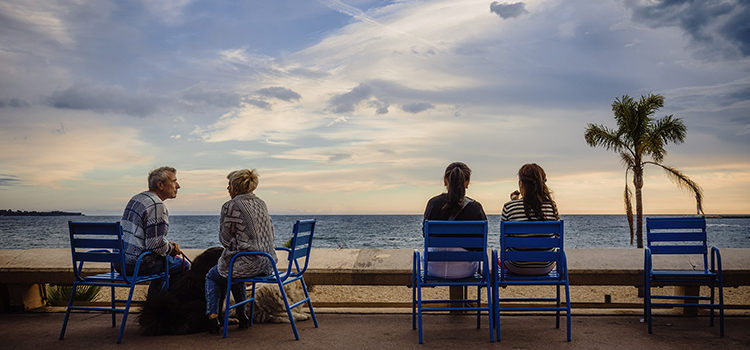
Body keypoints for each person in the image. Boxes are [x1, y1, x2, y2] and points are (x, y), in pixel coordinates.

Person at [205, 169, 278, 333]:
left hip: (249, 263)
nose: (227, 188)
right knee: (235, 268)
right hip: (268, 262)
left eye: (229, 185)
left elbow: (224, 240)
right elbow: (271, 233)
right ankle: (242, 314)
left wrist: (236, 245)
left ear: (235, 187)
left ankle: (212, 318)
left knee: (213, 275)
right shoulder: (261, 203)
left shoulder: (230, 206)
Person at [119, 166, 189, 296]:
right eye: (174, 181)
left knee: (164, 262)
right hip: (136, 264)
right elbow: (155, 245)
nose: (178, 186)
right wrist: (171, 249)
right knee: (182, 265)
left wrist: (167, 247)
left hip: (120, 262)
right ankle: (162, 306)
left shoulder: (137, 198)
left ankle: (153, 304)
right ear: (160, 185)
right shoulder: (156, 204)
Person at [422, 162, 487, 278]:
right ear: (467, 183)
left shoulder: (433, 203)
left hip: (435, 267)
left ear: (445, 180)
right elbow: (481, 242)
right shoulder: (476, 207)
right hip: (465, 269)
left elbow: (425, 234)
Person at [500, 163, 560, 275]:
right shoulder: (551, 206)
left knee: (498, 258)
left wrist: (513, 203)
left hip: (516, 266)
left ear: (521, 183)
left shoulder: (509, 207)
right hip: (545, 266)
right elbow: (557, 236)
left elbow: (504, 240)